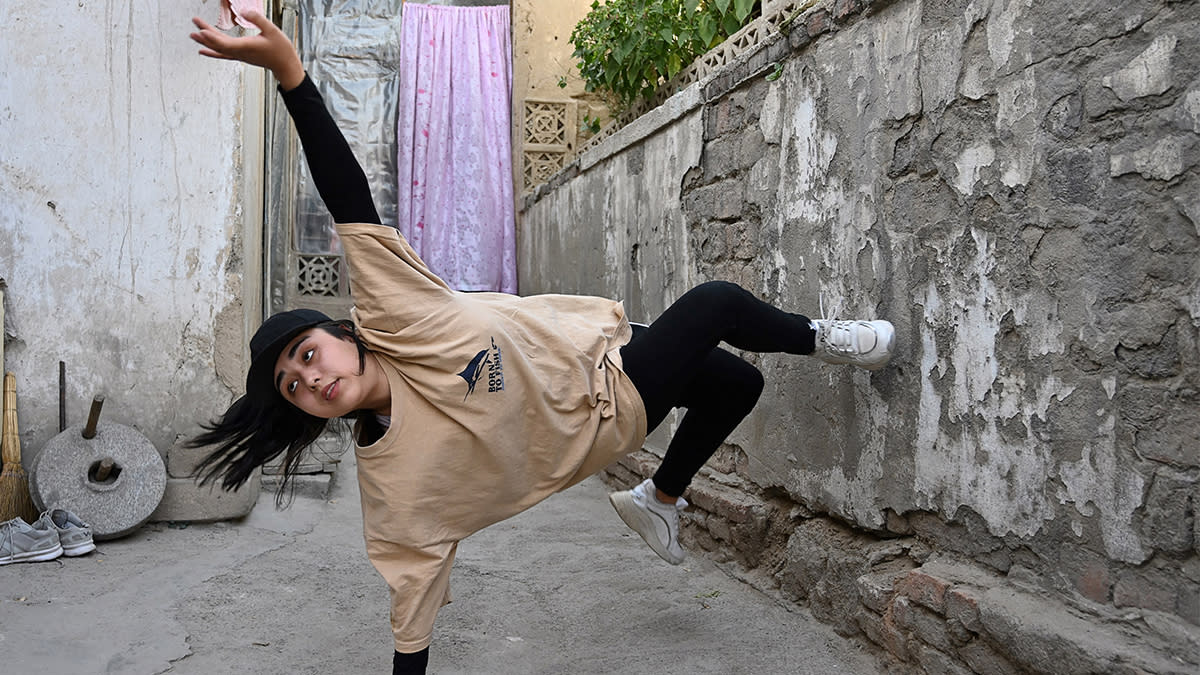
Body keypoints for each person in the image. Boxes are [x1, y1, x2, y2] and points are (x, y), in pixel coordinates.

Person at [187, 11, 895, 675]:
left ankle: (661, 498)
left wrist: (291, 72)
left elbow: (348, 200)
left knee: (738, 386)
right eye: (292, 386)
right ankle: (825, 337)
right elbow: (413, 596)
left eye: (306, 355)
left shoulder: (396, 316)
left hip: (606, 341)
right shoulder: (394, 485)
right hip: (604, 409)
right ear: (303, 411)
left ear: (339, 332)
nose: (310, 380)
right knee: (716, 302)